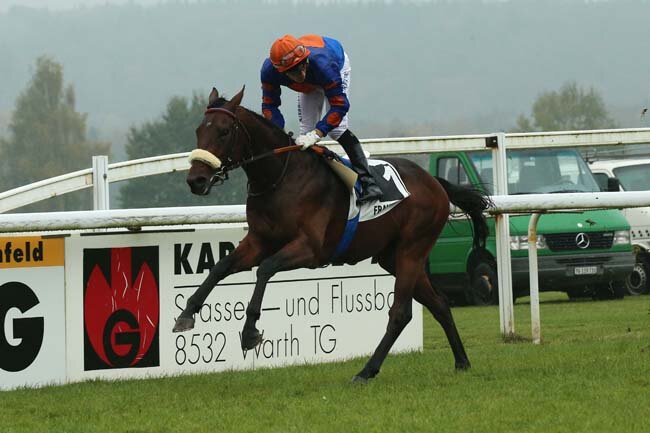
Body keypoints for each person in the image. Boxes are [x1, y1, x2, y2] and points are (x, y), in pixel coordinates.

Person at [261, 34, 383, 204]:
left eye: (302, 65)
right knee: (305, 133)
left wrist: (318, 133)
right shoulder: (268, 72)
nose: (300, 73)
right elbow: (269, 106)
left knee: (336, 130)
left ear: (306, 59)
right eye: (293, 70)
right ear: (279, 71)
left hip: (335, 64)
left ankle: (369, 182)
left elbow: (340, 105)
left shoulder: (324, 65)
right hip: (313, 76)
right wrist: (278, 133)